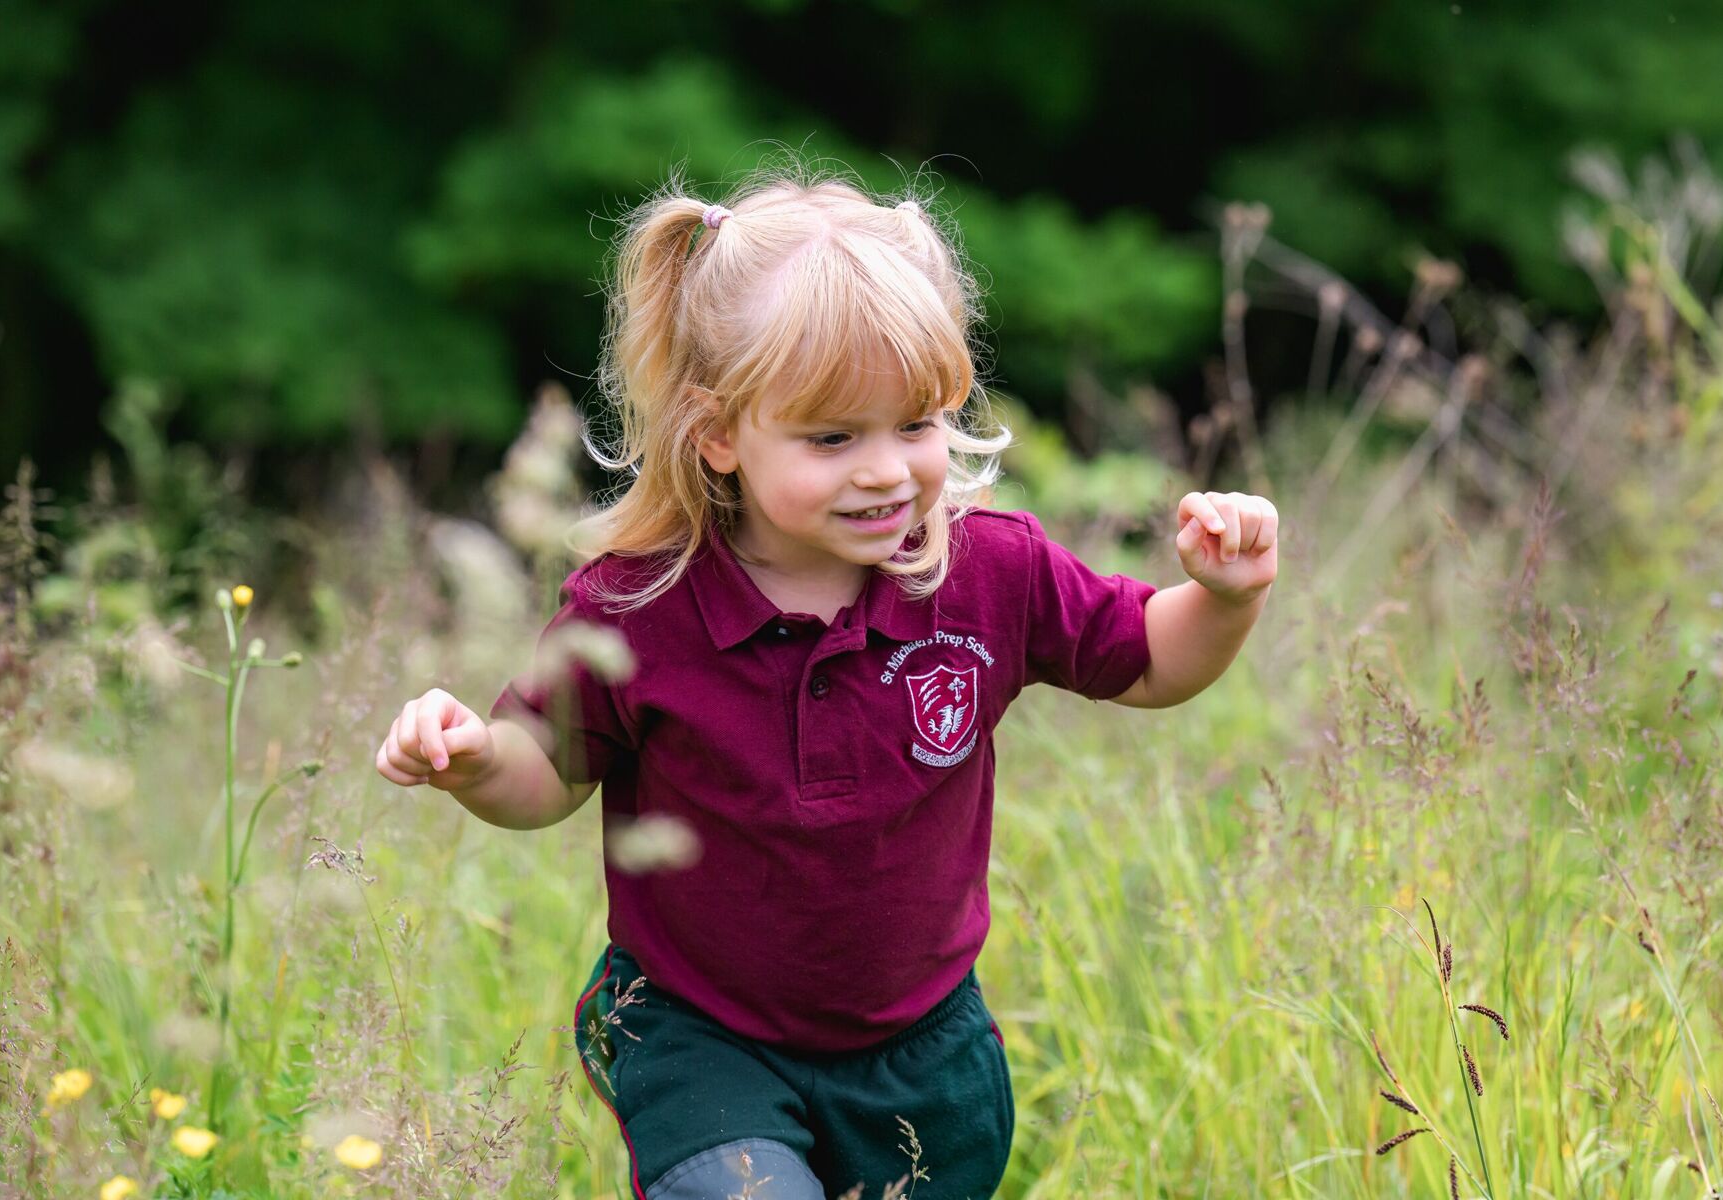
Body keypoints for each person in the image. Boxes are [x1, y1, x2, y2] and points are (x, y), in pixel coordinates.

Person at [375, 163, 1276, 1200]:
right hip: (700, 1035)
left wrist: (1223, 598)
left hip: (924, 1052)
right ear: (718, 433)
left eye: (916, 423)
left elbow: (1150, 661)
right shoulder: (635, 606)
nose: (886, 469)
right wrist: (475, 759)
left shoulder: (989, 571)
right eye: (833, 437)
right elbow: (546, 770)